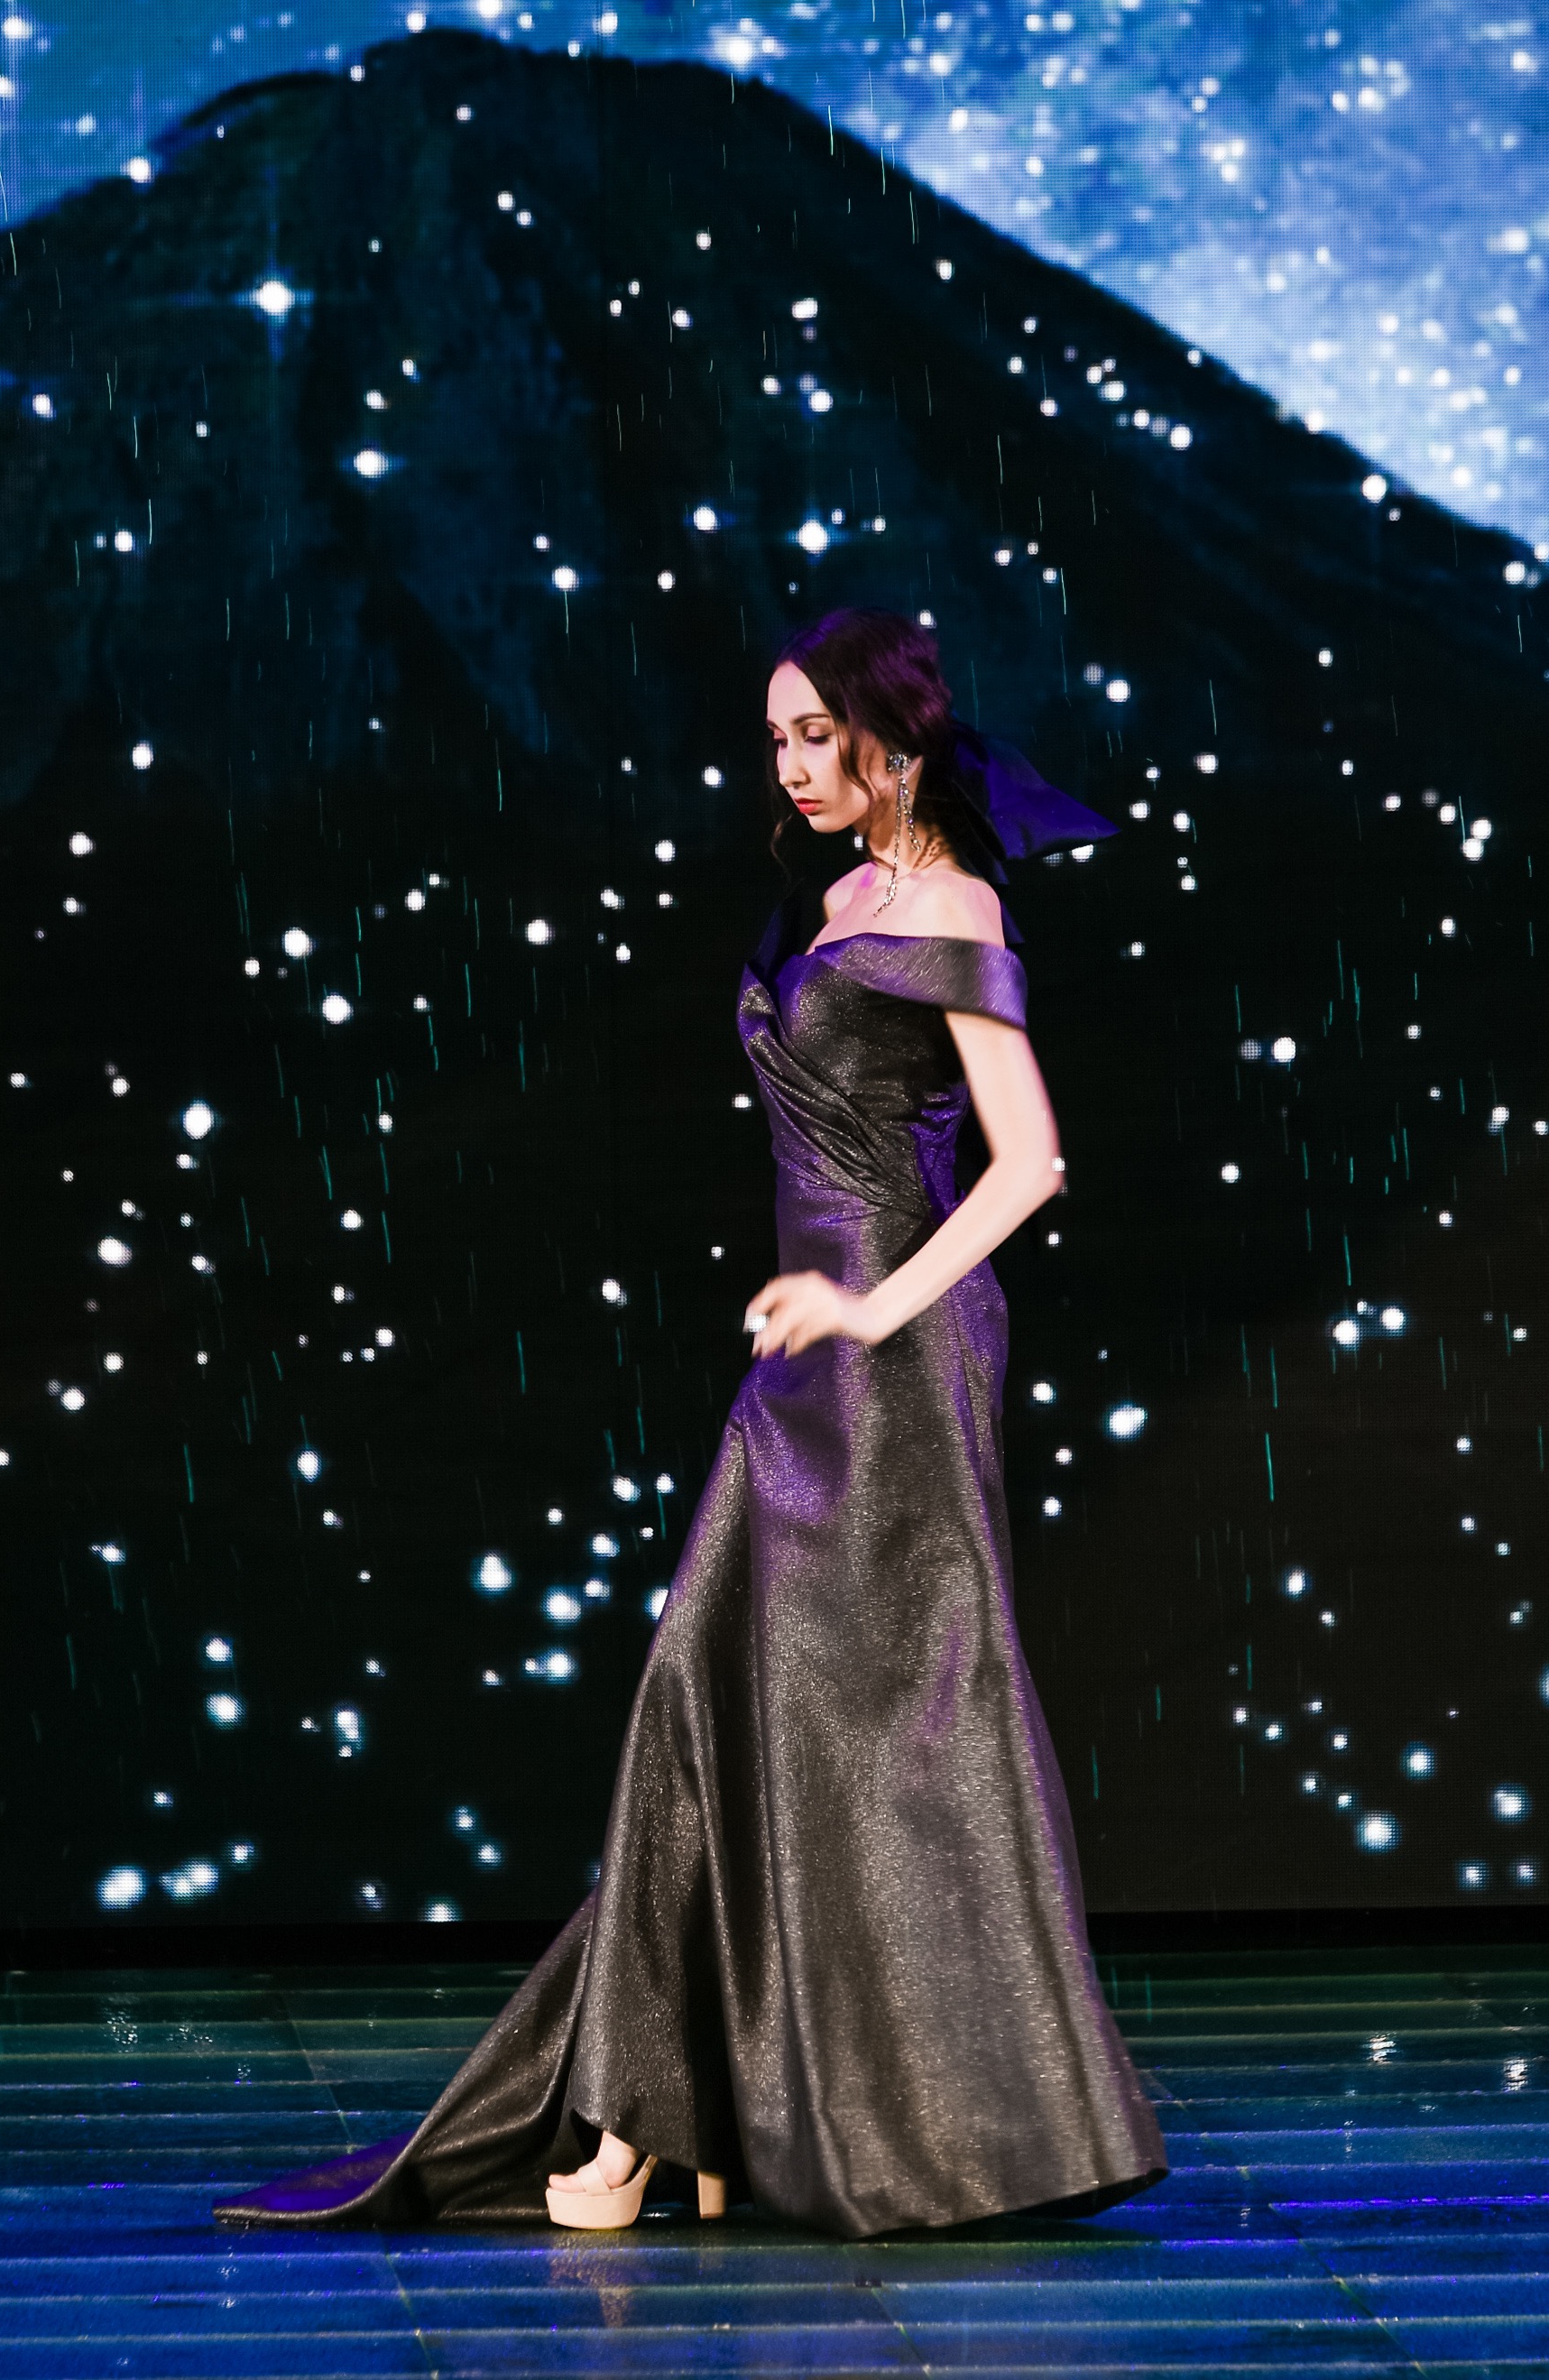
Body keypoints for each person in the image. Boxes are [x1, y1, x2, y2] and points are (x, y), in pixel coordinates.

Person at [214, 607, 1167, 2240]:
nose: (790, 765)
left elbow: (1031, 1162)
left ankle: (689, 2121)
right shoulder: (843, 899)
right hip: (813, 1343)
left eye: (818, 736)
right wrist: (832, 1309)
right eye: (776, 736)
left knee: (879, 1712)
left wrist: (870, 1306)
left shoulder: (952, 903)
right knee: (729, 1696)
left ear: (896, 743)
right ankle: (691, 2110)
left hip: (897, 1346)